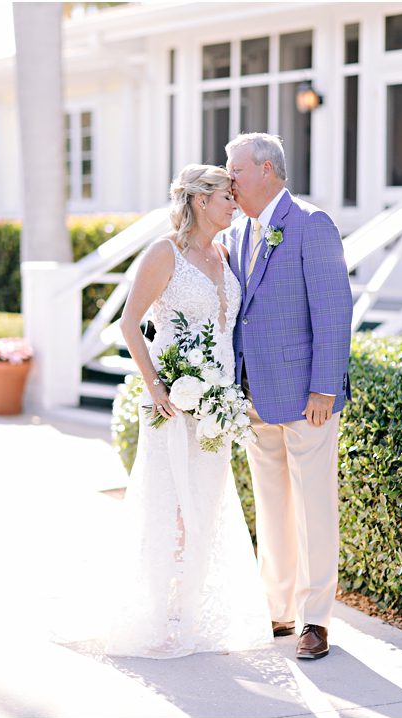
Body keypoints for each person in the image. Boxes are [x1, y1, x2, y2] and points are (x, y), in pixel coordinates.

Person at [108, 164, 273, 658]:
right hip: (172, 404)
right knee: (168, 504)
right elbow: (129, 323)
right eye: (227, 196)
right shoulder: (165, 253)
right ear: (201, 201)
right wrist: (157, 385)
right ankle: (159, 614)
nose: (234, 204)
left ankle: (194, 612)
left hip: (219, 406)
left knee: (205, 504)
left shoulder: (224, 254)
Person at [223, 133, 353, 660]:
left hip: (306, 398)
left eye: (235, 170)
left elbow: (333, 309)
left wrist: (324, 385)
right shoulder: (234, 232)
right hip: (254, 396)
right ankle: (277, 609)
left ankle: (315, 619)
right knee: (272, 505)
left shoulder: (310, 224)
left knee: (314, 506)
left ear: (268, 171)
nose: (228, 178)